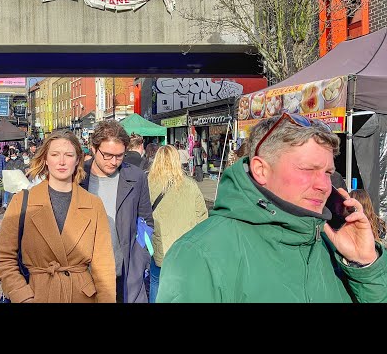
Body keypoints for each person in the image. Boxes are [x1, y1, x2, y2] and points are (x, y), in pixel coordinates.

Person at [157, 112, 387, 303]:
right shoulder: (200, 255)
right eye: (308, 169)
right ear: (261, 170)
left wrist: (365, 264)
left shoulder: (334, 245)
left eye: (328, 172)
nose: (324, 186)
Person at [0, 130, 116, 303]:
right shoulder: (22, 201)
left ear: (78, 160)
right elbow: (3, 257)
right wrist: (22, 296)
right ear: (45, 159)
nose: (62, 161)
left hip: (82, 296)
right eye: (55, 154)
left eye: (68, 155)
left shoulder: (93, 204)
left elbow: (104, 267)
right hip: (37, 295)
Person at [80, 119, 153, 303]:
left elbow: (146, 222)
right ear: (94, 149)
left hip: (126, 276)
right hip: (85, 277)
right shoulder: (78, 177)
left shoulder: (136, 177)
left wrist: (140, 257)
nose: (114, 162)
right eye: (107, 155)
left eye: (120, 156)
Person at [147, 144, 208, 302]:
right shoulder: (190, 185)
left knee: (156, 283)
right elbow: (202, 217)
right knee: (183, 287)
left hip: (159, 247)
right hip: (185, 248)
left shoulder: (147, 183)